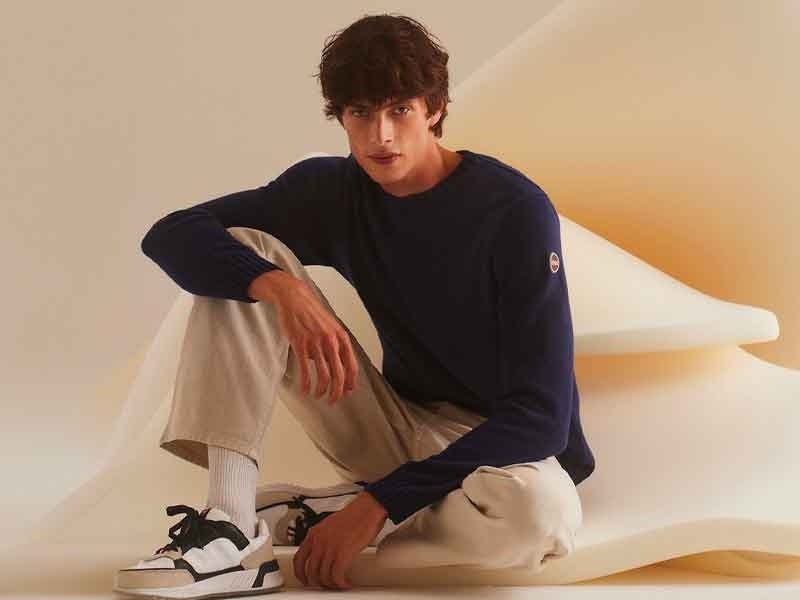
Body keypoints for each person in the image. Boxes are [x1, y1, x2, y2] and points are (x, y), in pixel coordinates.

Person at [113, 12, 595, 598]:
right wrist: (279, 286)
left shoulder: (512, 209)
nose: (380, 136)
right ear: (340, 115)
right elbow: (172, 232)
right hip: (395, 424)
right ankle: (230, 526)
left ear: (435, 108)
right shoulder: (332, 192)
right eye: (361, 113)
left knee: (541, 520)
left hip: (504, 452)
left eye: (400, 110)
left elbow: (542, 417)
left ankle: (336, 510)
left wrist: (376, 505)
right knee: (243, 253)